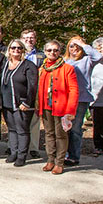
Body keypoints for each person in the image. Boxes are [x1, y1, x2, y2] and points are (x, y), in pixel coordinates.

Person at [38, 40, 78, 175]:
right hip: (46, 106)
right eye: (49, 50)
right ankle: (50, 159)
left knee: (61, 135)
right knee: (49, 134)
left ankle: (59, 162)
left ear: (59, 52)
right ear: (45, 52)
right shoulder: (42, 69)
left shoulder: (67, 69)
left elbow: (73, 90)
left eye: (55, 50)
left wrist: (70, 110)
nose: (52, 53)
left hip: (61, 107)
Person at [63, 36, 102, 166]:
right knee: (64, 128)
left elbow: (98, 57)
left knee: (75, 129)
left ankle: (74, 156)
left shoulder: (87, 60)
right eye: (72, 46)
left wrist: (83, 44)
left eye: (77, 46)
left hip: (80, 99)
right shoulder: (64, 61)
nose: (74, 49)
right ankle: (63, 154)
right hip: (64, 99)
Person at [0, 39, 38, 167]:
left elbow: (32, 86)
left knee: (22, 130)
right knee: (12, 129)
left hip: (21, 104)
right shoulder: (5, 64)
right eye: (13, 48)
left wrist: (27, 102)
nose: (16, 50)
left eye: (19, 48)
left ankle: (22, 155)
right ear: (9, 50)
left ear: (23, 50)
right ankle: (14, 152)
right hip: (7, 103)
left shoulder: (28, 65)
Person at [21, 29, 45, 159]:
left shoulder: (42, 55)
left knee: (34, 121)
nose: (28, 40)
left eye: (31, 38)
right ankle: (14, 146)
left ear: (35, 40)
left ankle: (33, 148)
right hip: (20, 90)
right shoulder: (16, 53)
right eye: (26, 38)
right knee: (17, 120)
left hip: (35, 91)